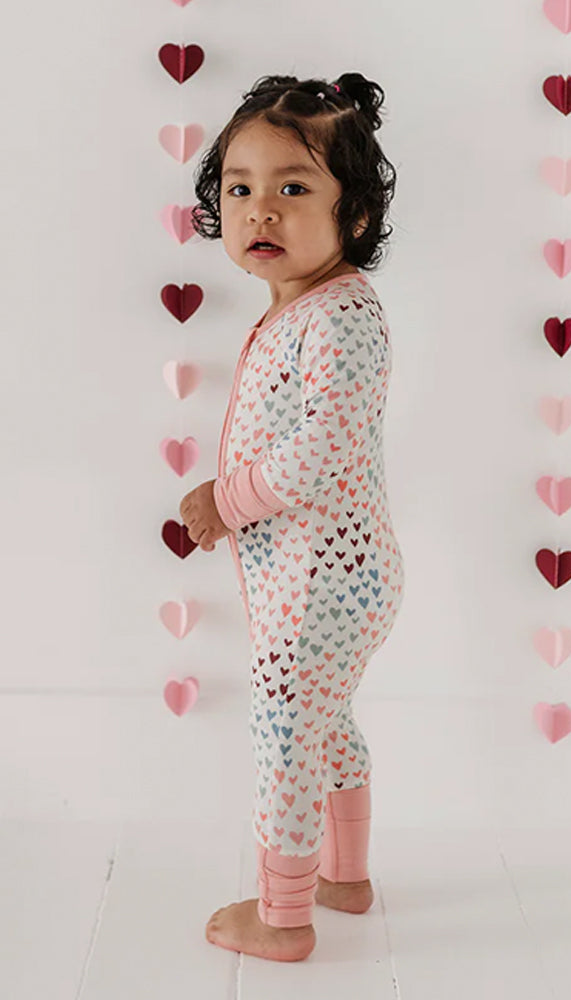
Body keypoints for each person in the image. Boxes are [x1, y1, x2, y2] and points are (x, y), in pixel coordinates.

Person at [178, 71, 405, 962]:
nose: (261, 210)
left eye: (294, 188)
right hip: (324, 577)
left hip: (325, 581)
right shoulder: (304, 311)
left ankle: (284, 917)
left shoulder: (340, 318)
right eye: (240, 190)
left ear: (357, 216)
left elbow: (321, 450)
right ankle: (345, 877)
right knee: (324, 721)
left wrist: (224, 501)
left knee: (283, 734)